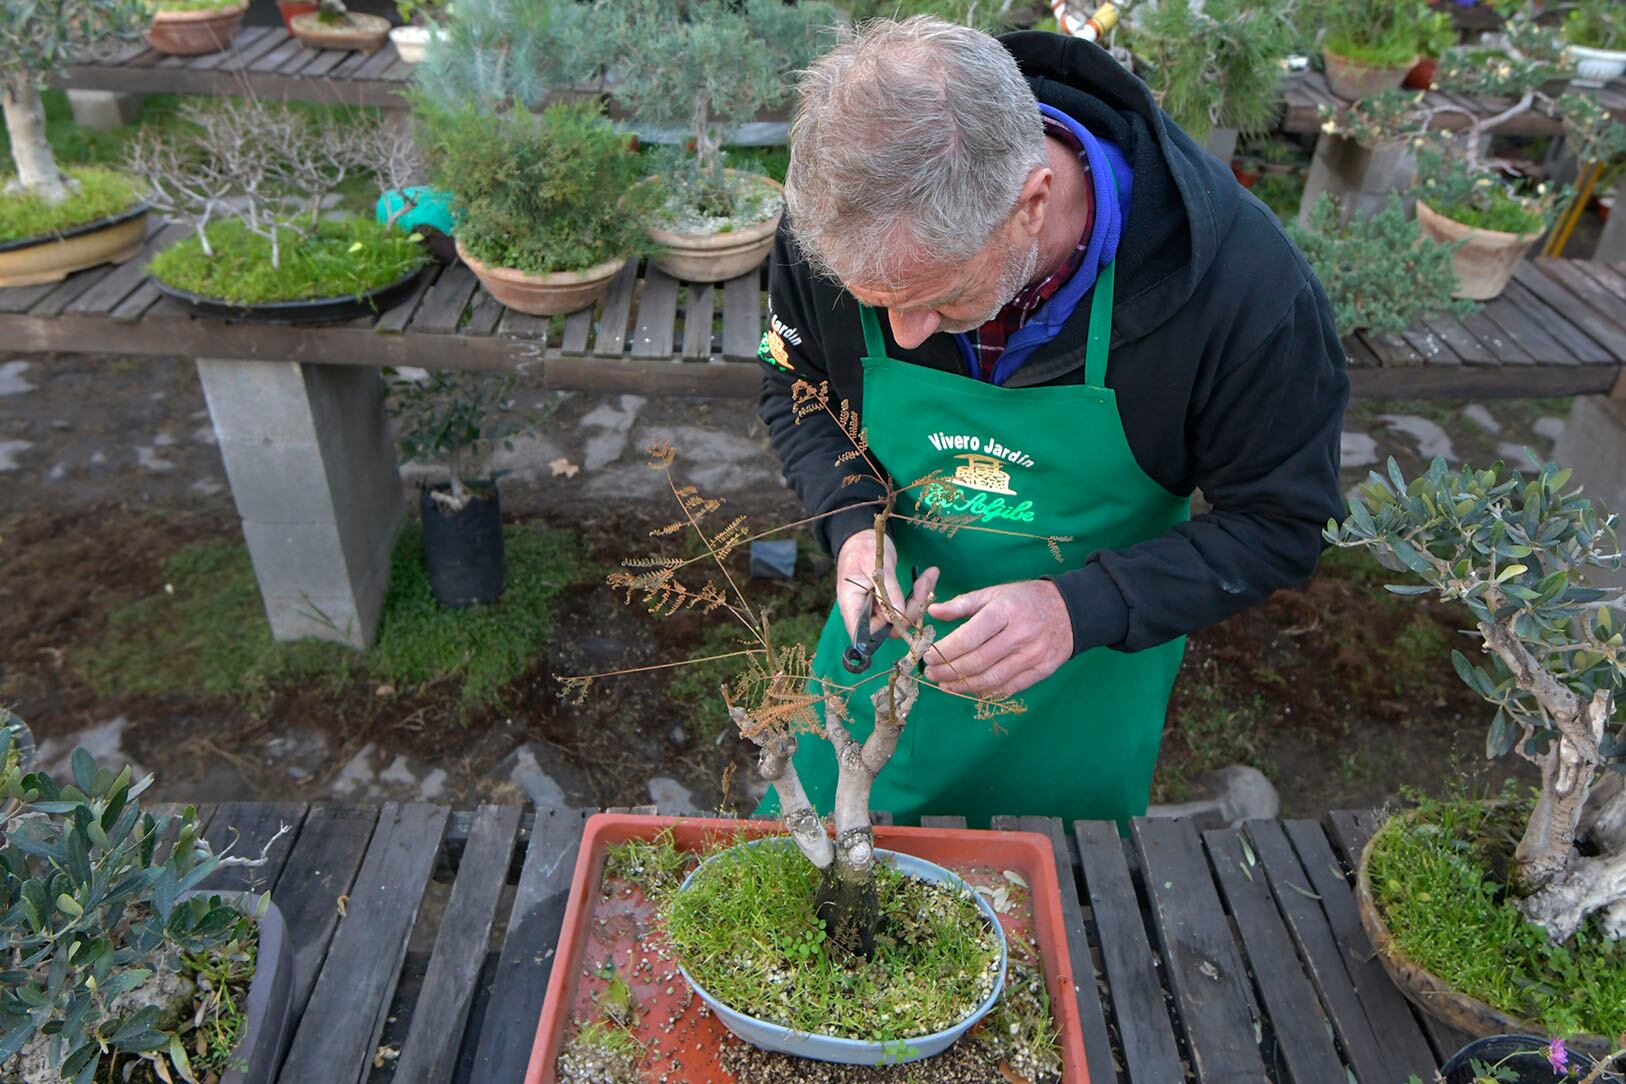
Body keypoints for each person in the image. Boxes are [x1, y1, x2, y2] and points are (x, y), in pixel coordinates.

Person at [754, 17, 1347, 828]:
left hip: (1086, 679)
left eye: (938, 296)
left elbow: (1283, 522)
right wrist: (853, 523)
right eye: (876, 304)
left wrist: (1084, 607)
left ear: (1032, 202)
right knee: (818, 857)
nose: (904, 336)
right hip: (883, 654)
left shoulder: (1244, 290)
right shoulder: (836, 226)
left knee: (1062, 900)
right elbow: (795, 388)